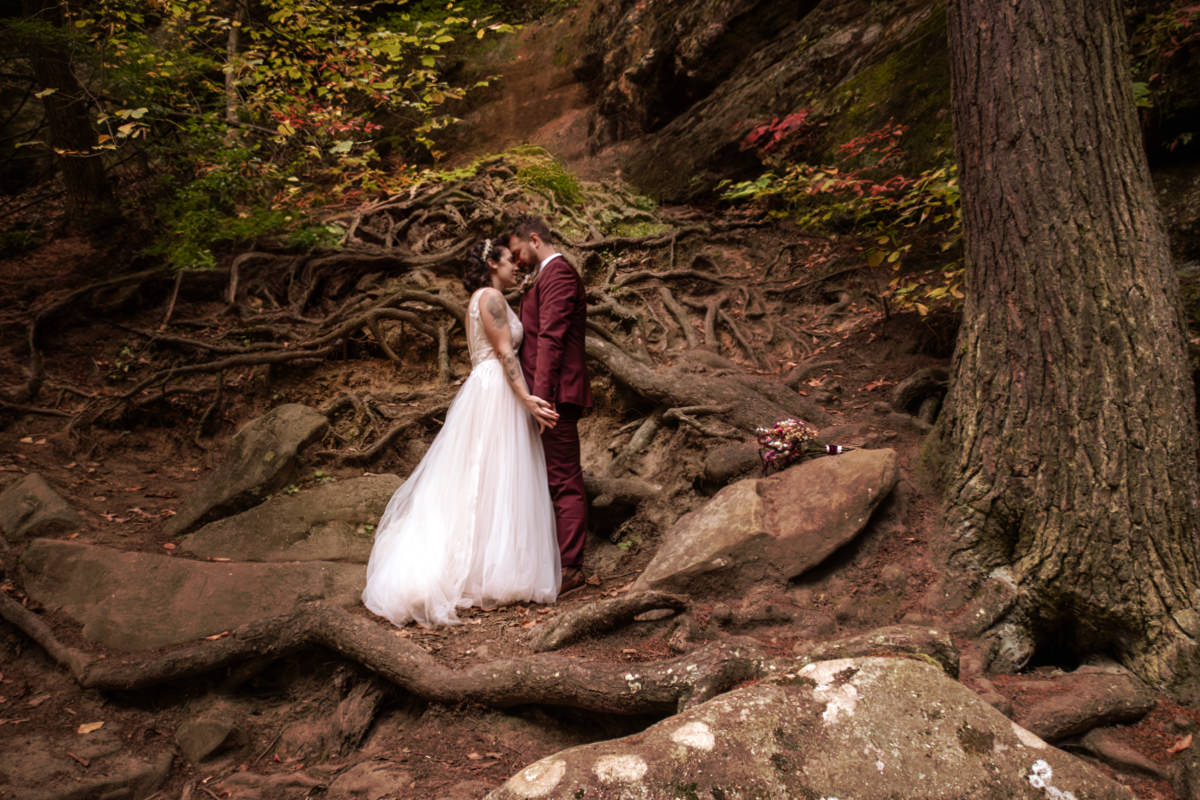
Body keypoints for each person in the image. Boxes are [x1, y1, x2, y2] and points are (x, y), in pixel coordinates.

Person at [361, 239, 561, 627]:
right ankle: (482, 571)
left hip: (488, 387)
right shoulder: (489, 298)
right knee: (492, 475)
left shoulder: (485, 297)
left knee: (486, 476)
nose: (515, 265)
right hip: (498, 390)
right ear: (491, 263)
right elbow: (505, 353)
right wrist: (528, 399)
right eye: (508, 260)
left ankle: (486, 567)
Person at [507, 215, 593, 595]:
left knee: (563, 479)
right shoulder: (543, 275)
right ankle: (553, 563)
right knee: (548, 478)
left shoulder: (558, 274)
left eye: (517, 251)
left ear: (535, 239)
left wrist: (541, 399)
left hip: (555, 396)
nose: (516, 260)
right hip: (546, 395)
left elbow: (550, 341)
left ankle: (571, 568)